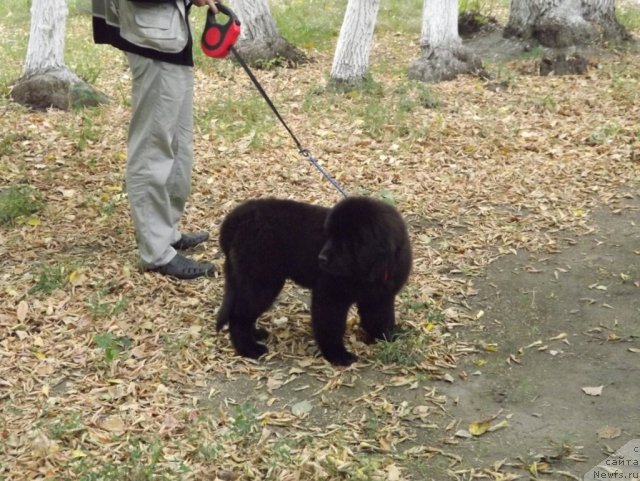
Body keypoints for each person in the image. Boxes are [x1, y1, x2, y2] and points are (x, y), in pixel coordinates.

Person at [91, 0, 219, 279]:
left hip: (169, 35)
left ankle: (166, 233)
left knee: (177, 144)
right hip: (151, 38)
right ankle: (156, 252)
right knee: (152, 147)